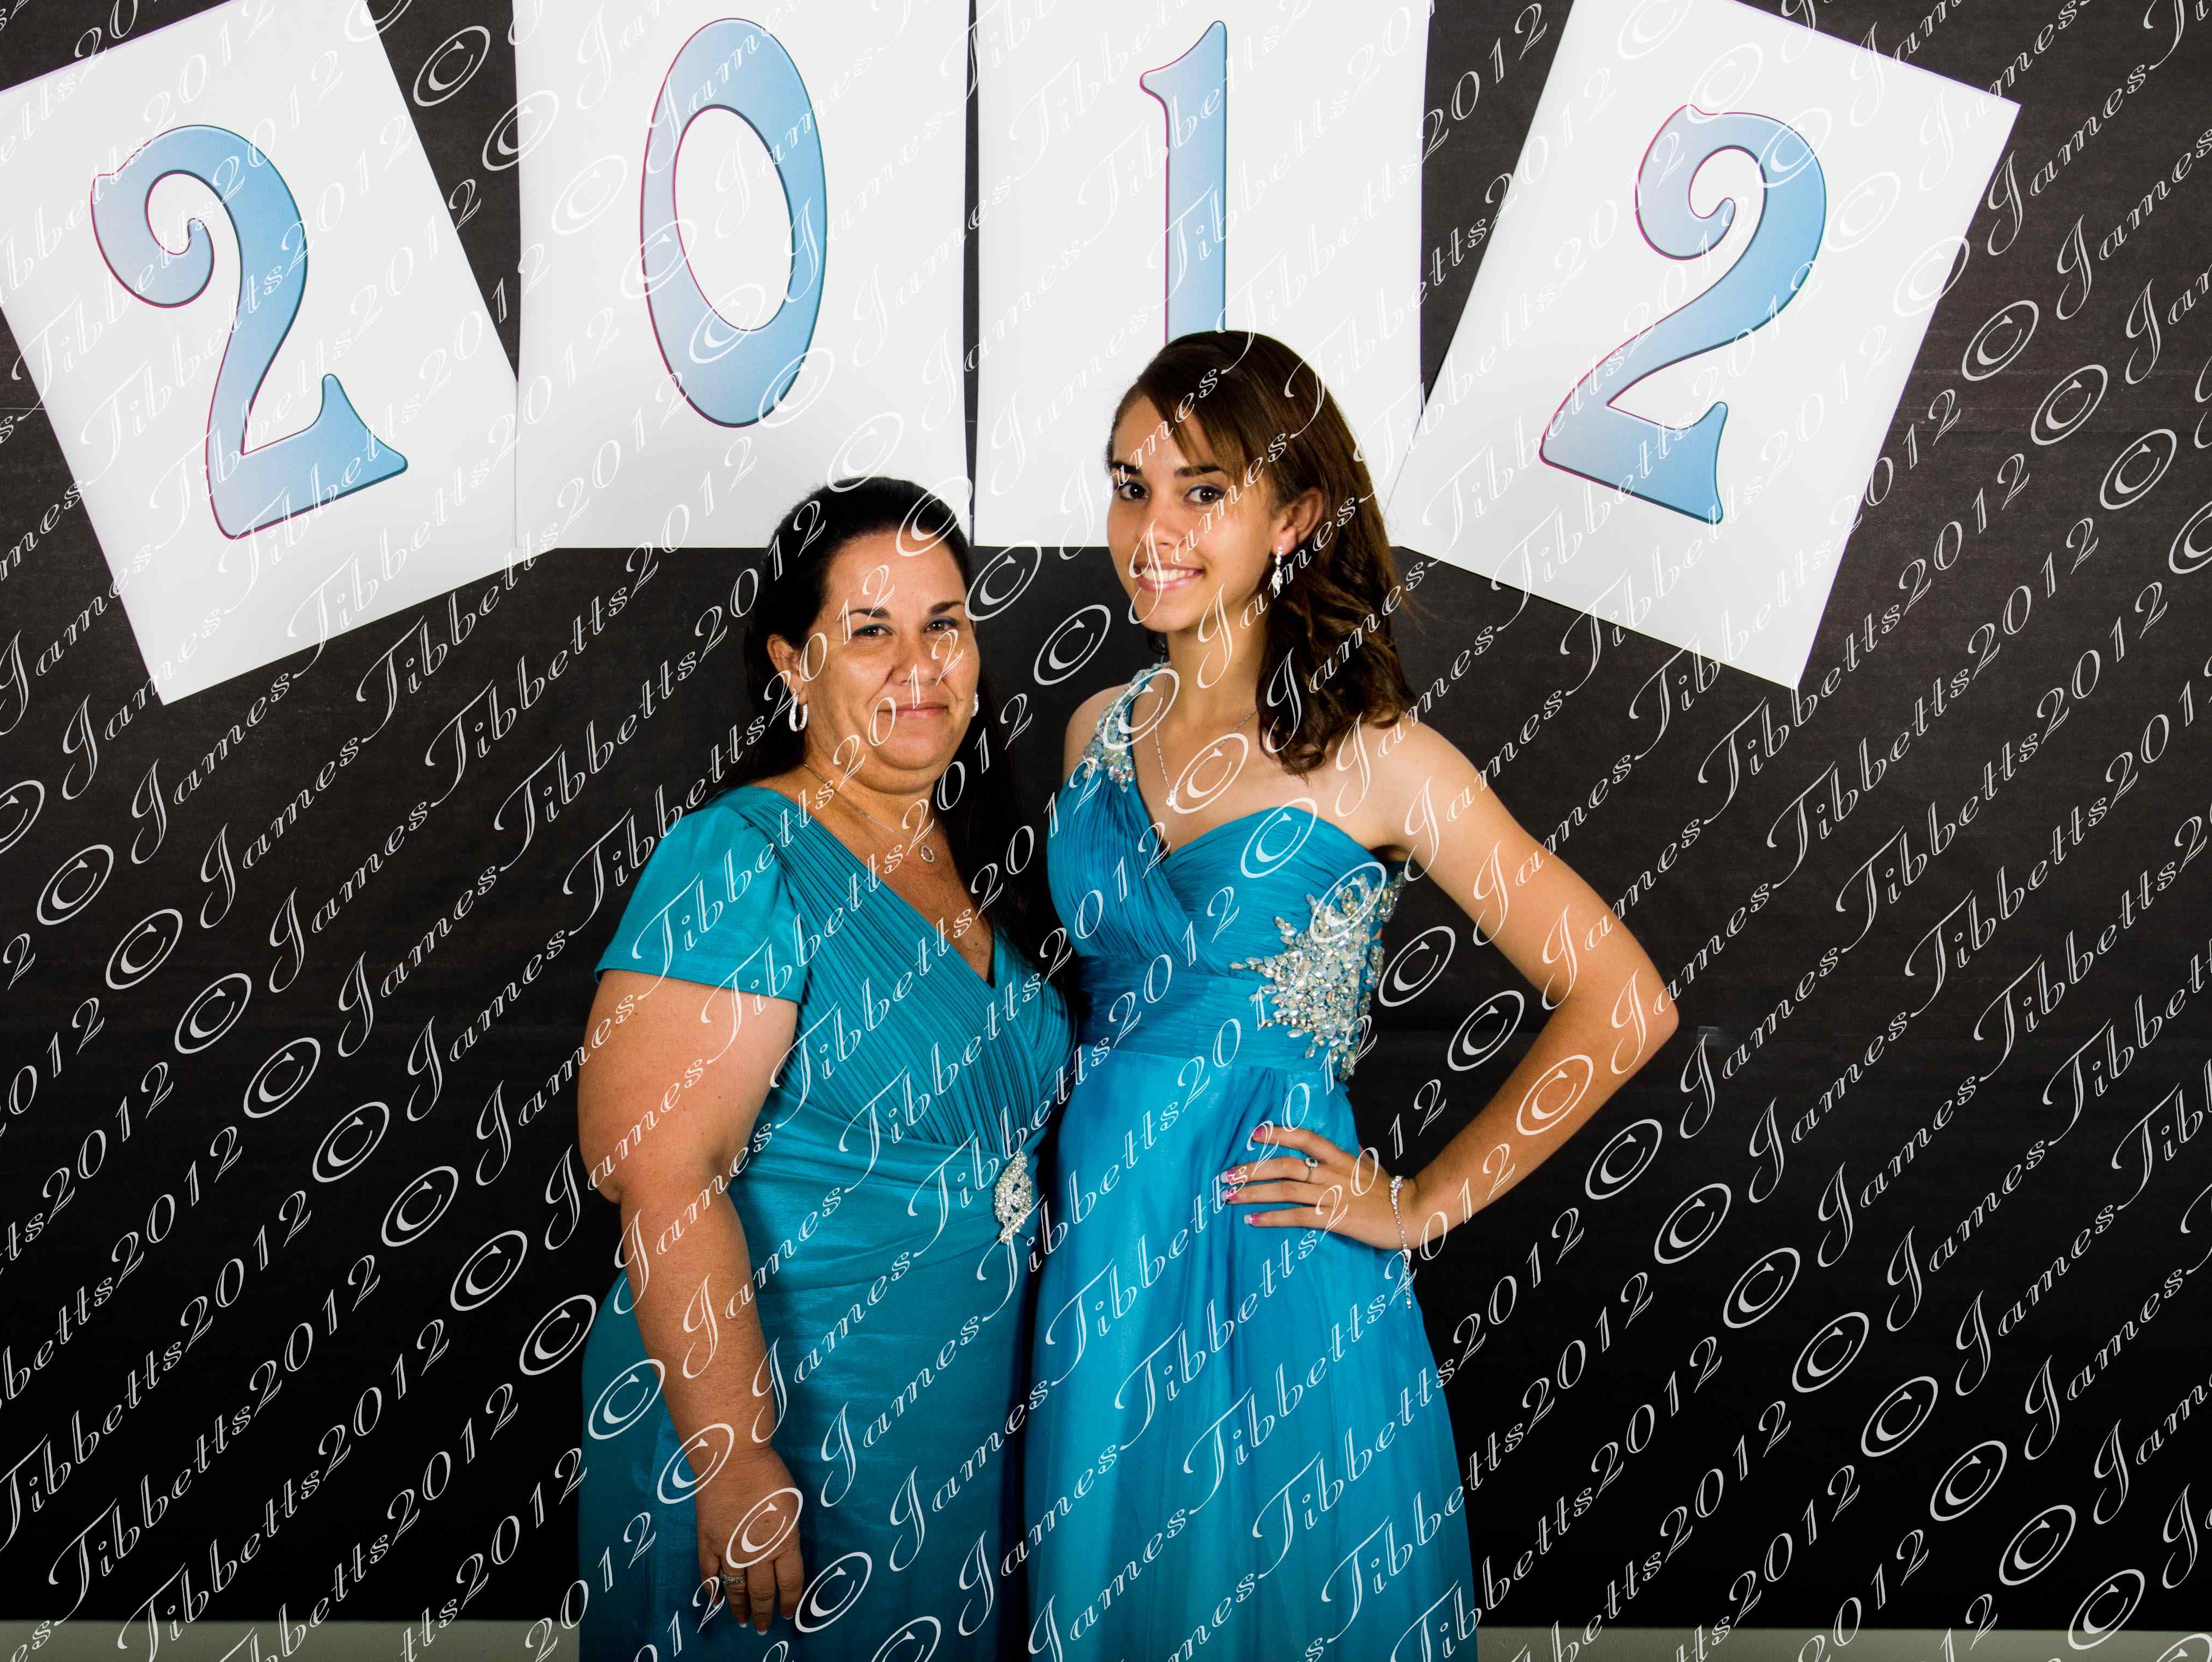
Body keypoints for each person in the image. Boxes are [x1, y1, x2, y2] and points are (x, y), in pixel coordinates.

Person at [1022, 331, 1682, 1658]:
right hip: (1104, 1250)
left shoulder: (1380, 758)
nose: (1152, 530)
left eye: (1203, 491)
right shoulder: (1094, 732)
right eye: (1130, 486)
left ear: (1294, 516)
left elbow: (1624, 1001)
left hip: (1275, 1259)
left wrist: (1421, 1201)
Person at [573, 477, 1074, 1657]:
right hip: (790, 1432)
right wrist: (733, 1454)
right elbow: (658, 1174)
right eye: (870, 631)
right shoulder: (741, 857)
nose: (920, 665)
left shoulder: (986, 857)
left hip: (958, 1432)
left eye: (944, 624)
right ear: (793, 665)